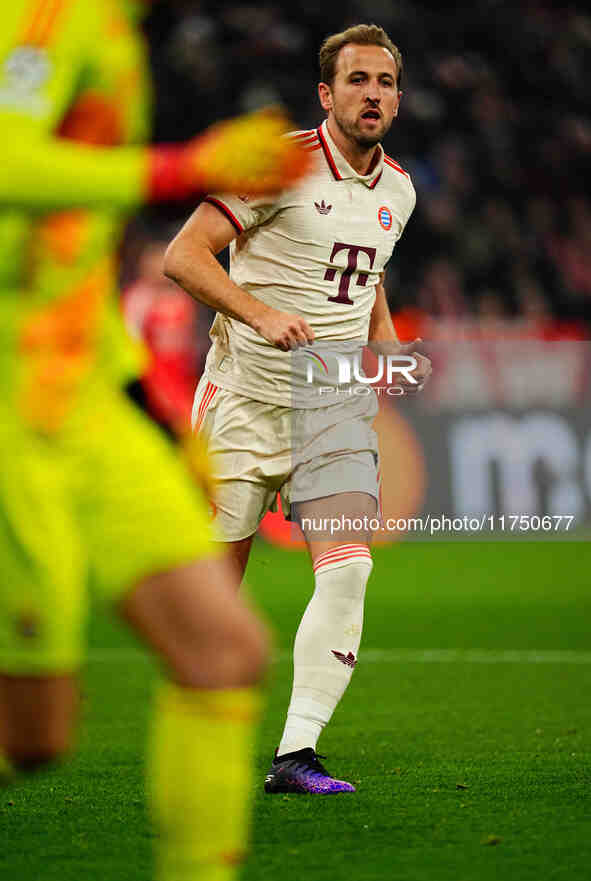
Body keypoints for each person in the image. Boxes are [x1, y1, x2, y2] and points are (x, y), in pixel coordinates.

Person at [0, 1, 311, 878]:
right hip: (12, 409)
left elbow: (64, 264)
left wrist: (150, 405)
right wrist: (186, 166)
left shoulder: (109, 28)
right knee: (34, 733)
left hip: (85, 394)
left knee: (223, 649)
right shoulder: (39, 15)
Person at [164, 23, 432, 795]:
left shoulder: (400, 190)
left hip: (333, 408)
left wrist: (384, 343)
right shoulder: (280, 165)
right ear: (325, 93)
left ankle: (295, 755)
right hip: (243, 403)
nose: (372, 94)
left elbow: (366, 270)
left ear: (398, 97)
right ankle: (199, 745)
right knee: (212, 602)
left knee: (349, 572)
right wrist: (257, 313)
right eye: (357, 81)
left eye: (384, 82)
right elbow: (182, 254)